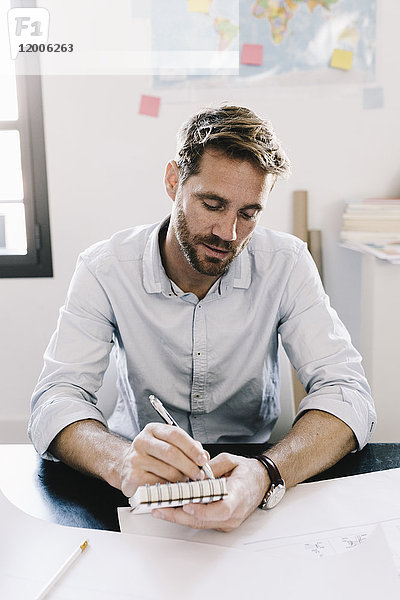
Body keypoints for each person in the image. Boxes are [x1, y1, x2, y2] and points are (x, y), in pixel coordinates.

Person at [29, 105, 376, 531]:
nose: (228, 234)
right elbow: (54, 401)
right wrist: (120, 462)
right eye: (213, 204)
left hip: (251, 467)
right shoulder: (105, 268)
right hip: (138, 480)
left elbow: (349, 393)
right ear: (174, 181)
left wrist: (267, 473)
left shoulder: (286, 263)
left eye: (248, 214)